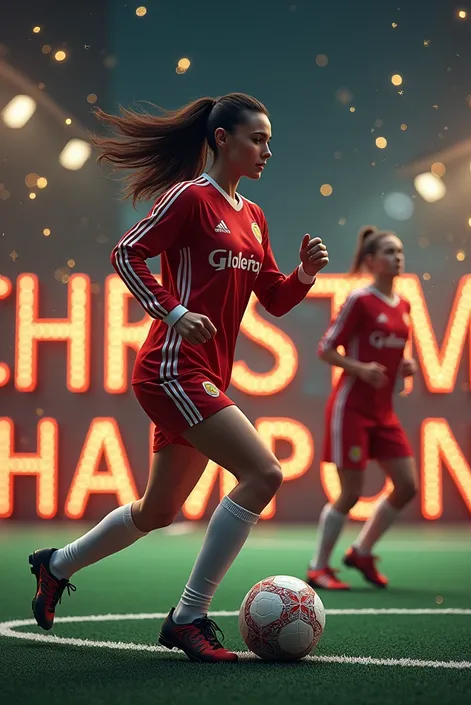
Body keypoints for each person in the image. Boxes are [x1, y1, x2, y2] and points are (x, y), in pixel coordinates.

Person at [29, 93, 329, 662]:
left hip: (203, 372)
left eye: (269, 139)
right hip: (171, 367)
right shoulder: (190, 198)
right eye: (258, 138)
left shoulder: (254, 215)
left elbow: (274, 300)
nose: (269, 150)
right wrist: (172, 312)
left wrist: (305, 275)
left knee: (157, 511)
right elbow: (126, 253)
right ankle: (188, 617)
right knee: (264, 472)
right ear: (222, 139)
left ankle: (55, 564)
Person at [306, 226, 417, 591]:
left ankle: (361, 551)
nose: (397, 257)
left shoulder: (404, 305)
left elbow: (392, 349)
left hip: (383, 411)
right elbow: (324, 349)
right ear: (370, 261)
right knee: (351, 492)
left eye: (399, 251)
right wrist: (361, 369)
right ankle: (318, 566)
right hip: (351, 409)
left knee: (407, 485)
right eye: (388, 251)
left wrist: (405, 365)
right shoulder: (359, 300)